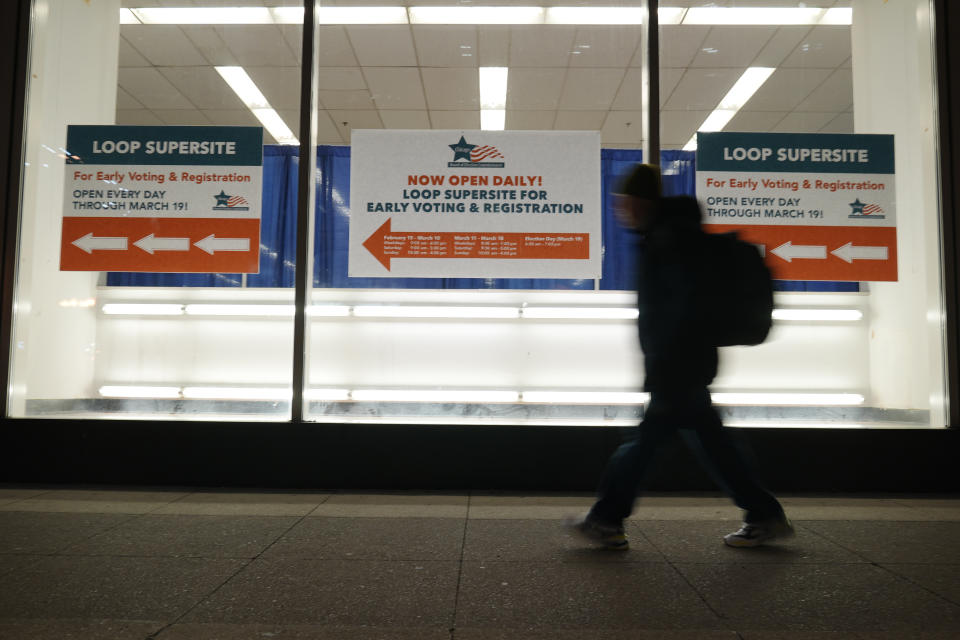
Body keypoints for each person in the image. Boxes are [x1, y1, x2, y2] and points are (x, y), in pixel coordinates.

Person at [568, 163, 793, 549]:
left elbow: (678, 310)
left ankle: (606, 519)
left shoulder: (668, 239)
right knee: (711, 443)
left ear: (640, 201)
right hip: (685, 365)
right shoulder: (667, 235)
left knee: (645, 443)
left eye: (623, 202)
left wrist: (664, 363)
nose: (620, 210)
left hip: (679, 365)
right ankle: (764, 514)